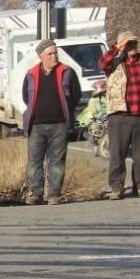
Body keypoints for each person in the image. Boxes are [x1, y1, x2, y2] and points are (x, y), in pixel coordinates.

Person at [99, 30, 140, 199]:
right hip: (120, 114)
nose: (133, 46)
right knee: (117, 152)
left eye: (134, 43)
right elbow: (102, 63)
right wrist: (118, 48)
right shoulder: (115, 62)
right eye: (129, 44)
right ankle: (116, 187)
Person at [21, 39, 81, 205]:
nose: (54, 56)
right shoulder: (31, 74)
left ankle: (53, 194)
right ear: (41, 56)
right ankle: (35, 193)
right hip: (36, 125)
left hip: (59, 124)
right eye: (50, 53)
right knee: (34, 161)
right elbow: (27, 98)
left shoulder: (67, 72)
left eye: (56, 53)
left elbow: (75, 96)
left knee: (57, 161)